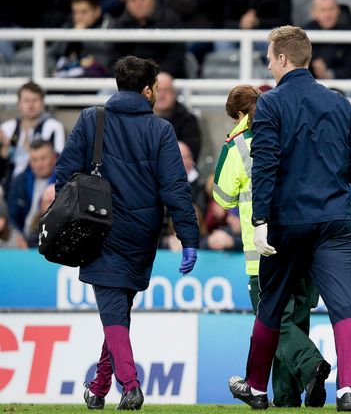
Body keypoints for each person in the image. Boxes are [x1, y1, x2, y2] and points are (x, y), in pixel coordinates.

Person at [227, 26, 351, 412]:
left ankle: (256, 388)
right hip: (336, 221)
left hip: (287, 223)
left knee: (272, 306)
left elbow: (265, 165)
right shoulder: (340, 104)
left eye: (269, 59)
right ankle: (348, 389)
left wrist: (259, 220)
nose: (268, 66)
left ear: (282, 59)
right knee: (344, 305)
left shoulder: (270, 104)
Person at [55, 55, 200, 411]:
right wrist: (189, 238)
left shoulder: (91, 119)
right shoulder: (161, 130)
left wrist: (70, 214)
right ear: (147, 90)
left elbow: (64, 175)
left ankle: (131, 386)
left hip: (97, 230)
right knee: (117, 311)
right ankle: (99, 387)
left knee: (114, 312)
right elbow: (176, 188)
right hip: (141, 235)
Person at [213, 84, 330, 408]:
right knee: (296, 320)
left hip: (265, 250)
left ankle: (311, 364)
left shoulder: (239, 143)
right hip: (306, 245)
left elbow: (222, 198)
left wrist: (234, 135)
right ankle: (288, 397)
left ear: (240, 114)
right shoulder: (301, 133)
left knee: (274, 322)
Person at [112, 0, 188, 78]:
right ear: (126, 3)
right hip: (132, 80)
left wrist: (156, 76)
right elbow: (115, 59)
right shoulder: (120, 25)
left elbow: (176, 57)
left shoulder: (170, 20)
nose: (138, 4)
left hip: (164, 78)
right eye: (133, 0)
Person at [0, 82, 66, 183]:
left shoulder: (53, 127)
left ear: (42, 103)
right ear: (19, 103)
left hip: (42, 182)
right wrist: (3, 153)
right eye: (26, 100)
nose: (31, 105)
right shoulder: (7, 128)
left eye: (35, 100)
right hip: (10, 182)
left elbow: (59, 161)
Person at [51, 0, 113, 78]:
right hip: (69, 76)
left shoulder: (111, 25)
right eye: (75, 12)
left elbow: (105, 58)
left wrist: (81, 36)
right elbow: (53, 53)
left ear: (97, 11)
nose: (78, 17)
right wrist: (72, 38)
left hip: (100, 79)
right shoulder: (70, 25)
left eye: (83, 12)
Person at [303, 0, 351, 79]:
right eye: (323, 10)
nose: (328, 15)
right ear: (313, 13)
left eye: (331, 9)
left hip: (346, 83)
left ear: (338, 10)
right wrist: (313, 60)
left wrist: (330, 74)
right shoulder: (304, 33)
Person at [6, 140, 56, 238]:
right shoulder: (20, 180)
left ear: (54, 158)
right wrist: (17, 235)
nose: (39, 164)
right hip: (22, 236)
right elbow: (11, 215)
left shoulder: (63, 181)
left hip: (50, 236)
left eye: (43, 158)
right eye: (34, 160)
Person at [153, 72, 203, 161]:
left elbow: (191, 154)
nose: (161, 95)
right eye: (157, 90)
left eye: (166, 90)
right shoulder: (138, 118)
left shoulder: (188, 120)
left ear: (174, 93)